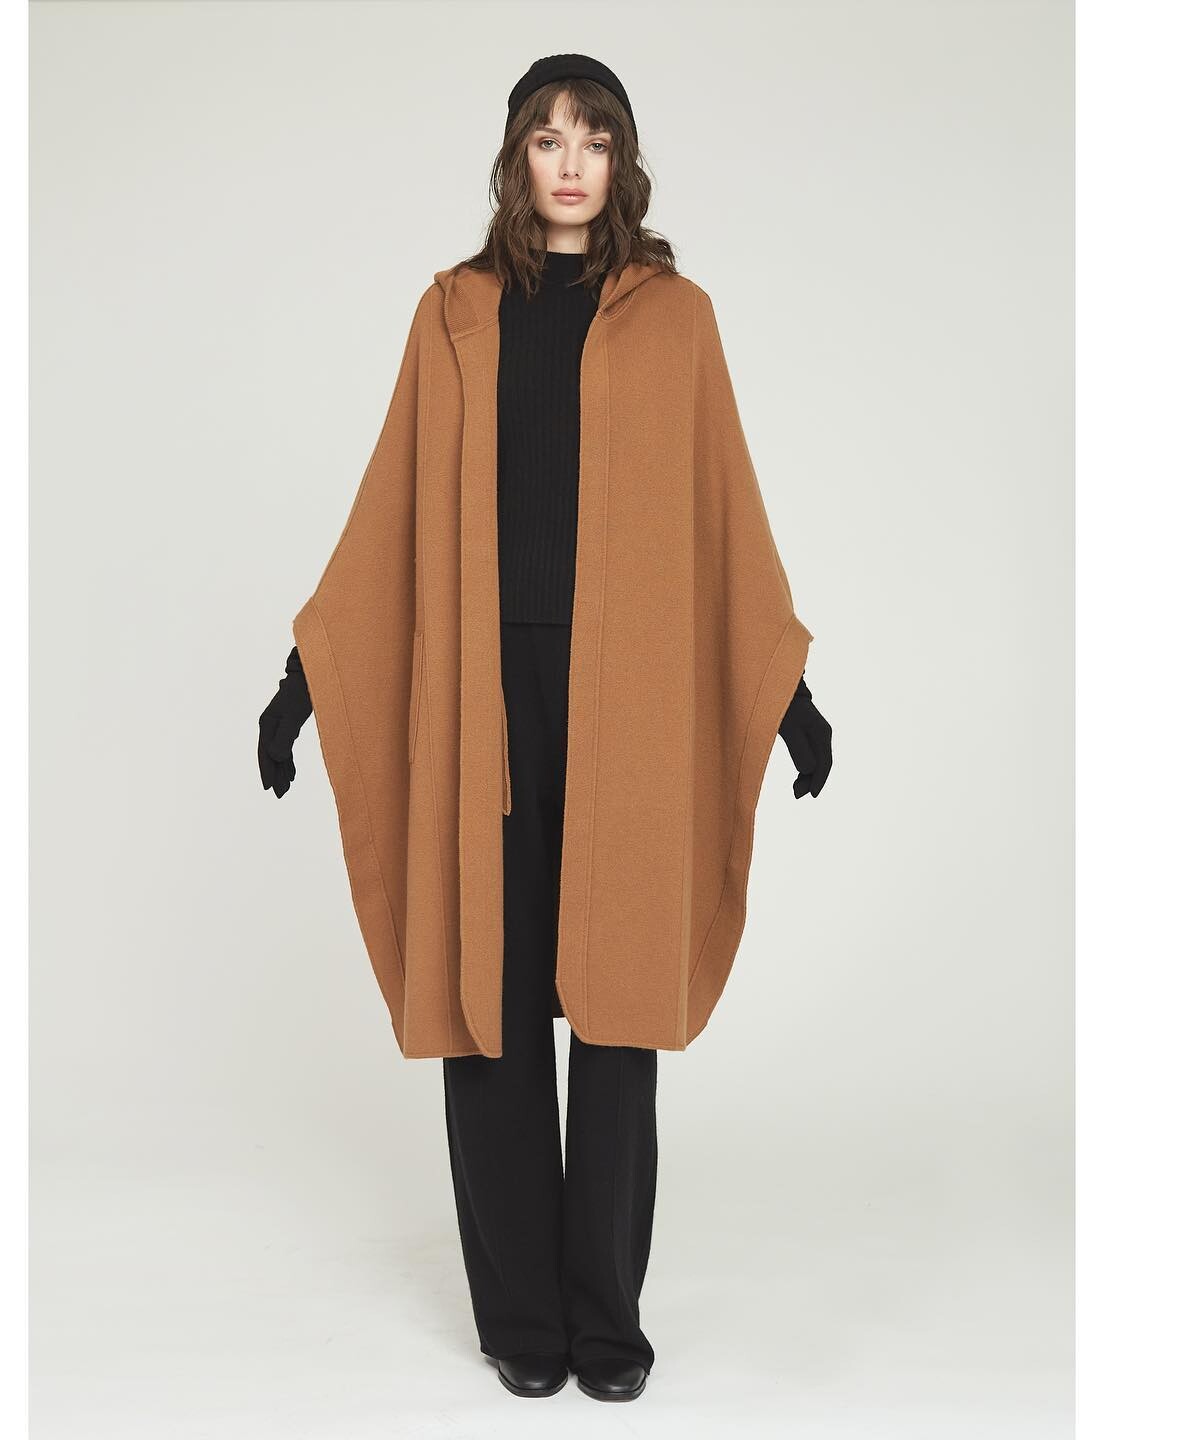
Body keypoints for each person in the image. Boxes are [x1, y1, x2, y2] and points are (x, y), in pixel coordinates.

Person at [258, 55, 833, 1404]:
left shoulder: (678, 322)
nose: (570, 163)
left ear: (621, 162)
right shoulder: (454, 314)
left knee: (617, 1007)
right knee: (493, 1007)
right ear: (516, 159)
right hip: (485, 698)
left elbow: (724, 517)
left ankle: (605, 1316)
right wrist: (303, 681)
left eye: (595, 139)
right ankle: (520, 1315)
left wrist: (787, 693)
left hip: (627, 697)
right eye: (547, 139)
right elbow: (390, 506)